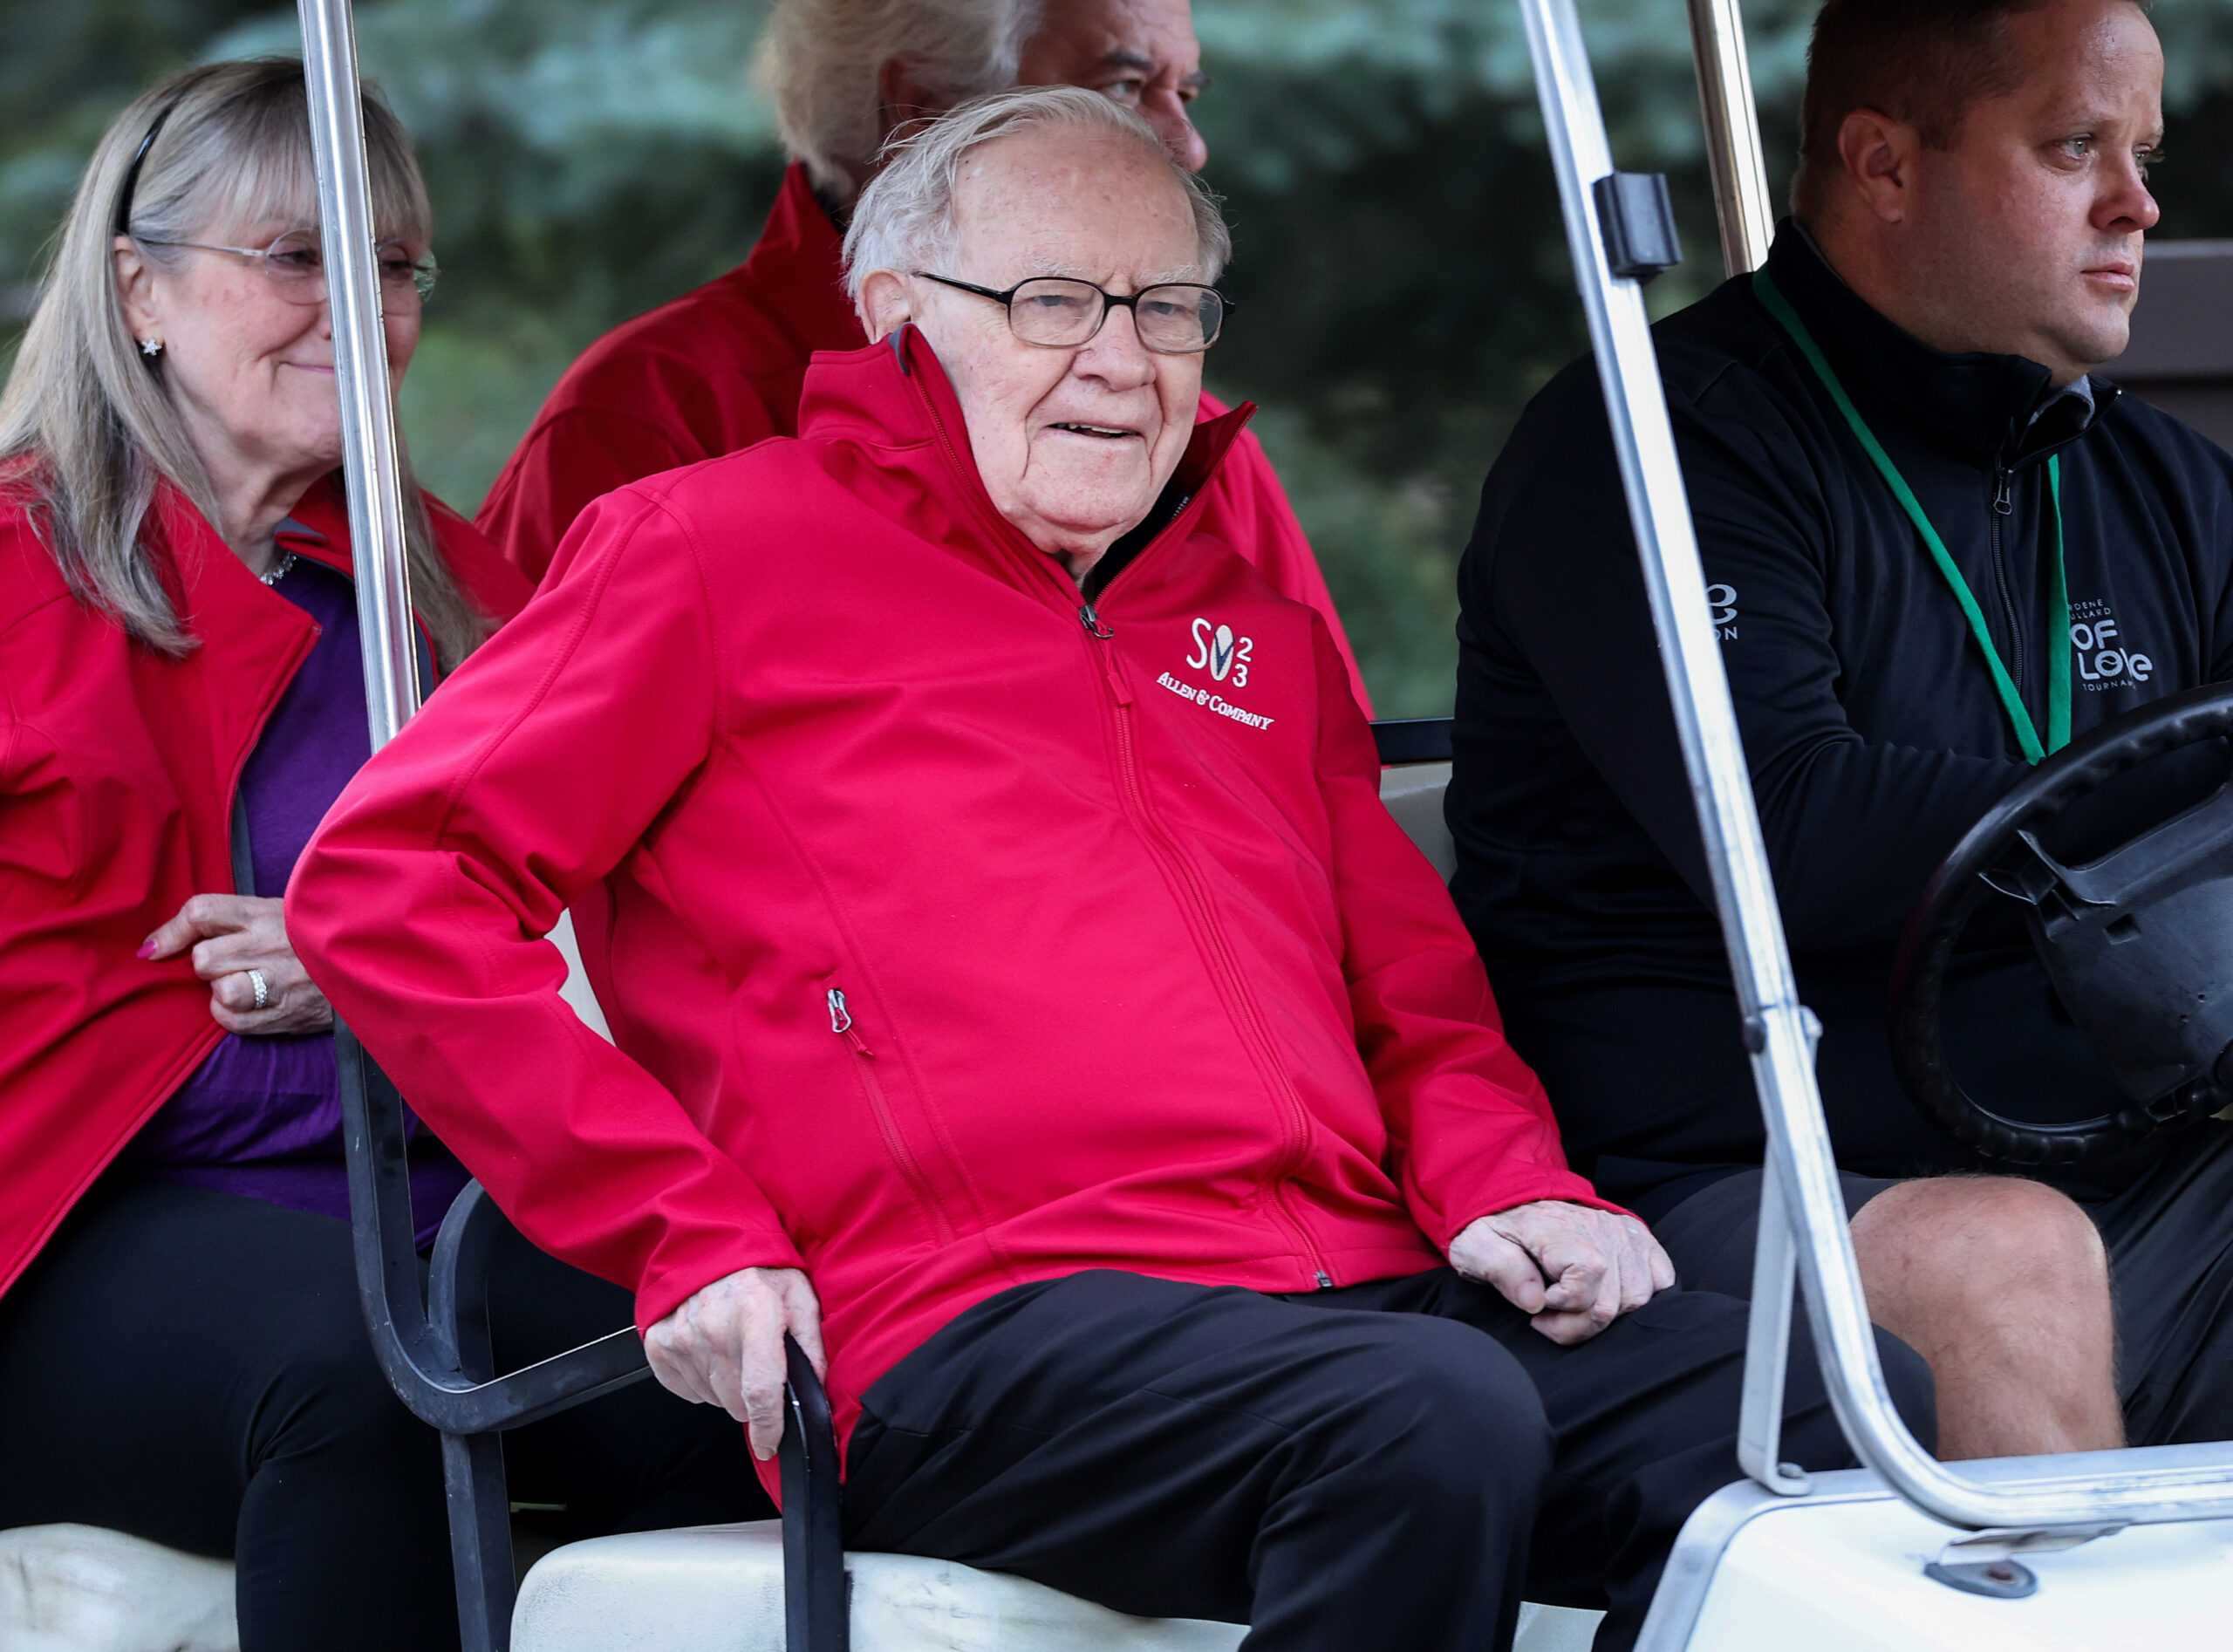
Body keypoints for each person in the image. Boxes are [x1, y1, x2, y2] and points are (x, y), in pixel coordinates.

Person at [292, 87, 1934, 1652]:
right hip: (961, 1317)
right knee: (1424, 1420)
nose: (1121, 359)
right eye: (1053, 300)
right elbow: (392, 883)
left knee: (1838, 1397)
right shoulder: (706, 548)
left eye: (1168, 309)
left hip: (1344, 1283)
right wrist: (684, 1222)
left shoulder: (1249, 628)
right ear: (891, 308)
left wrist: (1505, 1171)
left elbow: (1408, 987)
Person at [0, 62, 766, 1652]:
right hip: (76, 1228)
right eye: (300, 255)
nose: (364, 303)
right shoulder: (18, 566)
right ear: (138, 285)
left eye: (395, 265)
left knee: (730, 1376)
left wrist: (368, 953)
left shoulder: (454, 590)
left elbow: (616, 926)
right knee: (364, 1385)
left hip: (430, 1199)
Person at [1449, 0, 2233, 1460]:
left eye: (2142, 150)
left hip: (2126, 1145)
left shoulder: (2164, 481)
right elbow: (1793, 828)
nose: (2139, 202)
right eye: (2076, 146)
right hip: (1713, 1182)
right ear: (1882, 162)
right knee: (2006, 1256)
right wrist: (2184, 774)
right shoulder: (1660, 442)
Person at [474, 0, 1370, 710]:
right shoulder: (657, 416)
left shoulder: (1190, 441)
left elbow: (1337, 792)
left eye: (1188, 94)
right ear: (921, 111)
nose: (1187, 144)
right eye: (1126, 87)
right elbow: (490, 834)